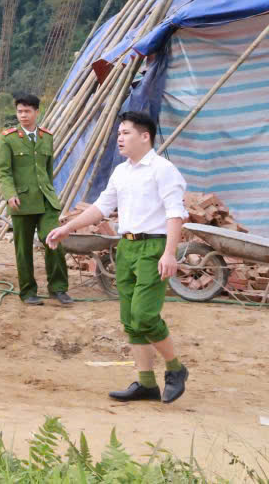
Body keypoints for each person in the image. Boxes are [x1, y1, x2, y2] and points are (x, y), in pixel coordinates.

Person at [47, 111, 189, 403]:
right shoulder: (121, 172)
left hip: (153, 247)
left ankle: (176, 368)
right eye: (119, 133)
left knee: (145, 315)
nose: (119, 138)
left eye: (125, 133)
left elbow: (176, 213)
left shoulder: (163, 170)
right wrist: (68, 228)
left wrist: (169, 253)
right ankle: (146, 383)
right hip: (126, 247)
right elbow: (101, 207)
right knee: (130, 319)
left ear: (145, 136)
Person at [0, 93, 70, 306]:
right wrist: (10, 194)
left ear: (37, 112)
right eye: (20, 111)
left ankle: (58, 288)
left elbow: (48, 170)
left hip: (46, 200)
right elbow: (3, 171)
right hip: (21, 201)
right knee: (23, 248)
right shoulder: (8, 138)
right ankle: (28, 291)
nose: (23, 115)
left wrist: (50, 193)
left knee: (53, 239)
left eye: (27, 111)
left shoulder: (47, 137)